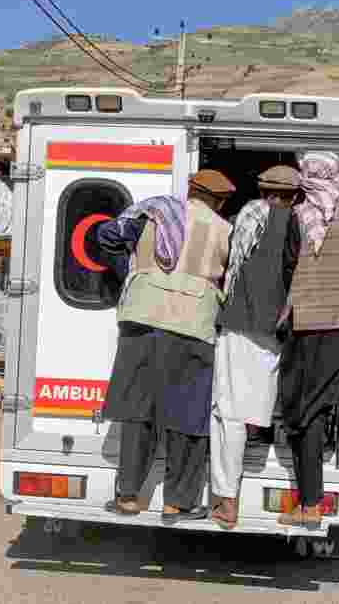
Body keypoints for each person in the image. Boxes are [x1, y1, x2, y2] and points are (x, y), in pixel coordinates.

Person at [96, 169, 235, 523]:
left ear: (190, 190)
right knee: (188, 416)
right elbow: (233, 277)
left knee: (138, 411)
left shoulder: (154, 214)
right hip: (193, 325)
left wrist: (128, 272)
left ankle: (128, 497)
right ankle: (177, 503)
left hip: (141, 319)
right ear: (220, 201)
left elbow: (105, 235)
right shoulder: (225, 230)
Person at [277, 151, 339, 529]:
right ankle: (309, 499)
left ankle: (311, 502)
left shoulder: (297, 215)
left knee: (303, 410)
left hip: (308, 323)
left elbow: (287, 269)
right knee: (317, 406)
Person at [210, 165, 302, 529]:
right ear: (296, 195)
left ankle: (227, 501)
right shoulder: (301, 223)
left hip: (239, 322)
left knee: (228, 413)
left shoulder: (246, 215)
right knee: (263, 406)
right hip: (277, 330)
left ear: (263, 190)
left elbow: (228, 266)